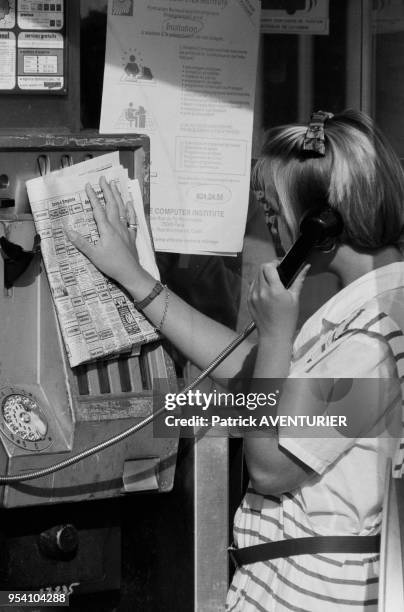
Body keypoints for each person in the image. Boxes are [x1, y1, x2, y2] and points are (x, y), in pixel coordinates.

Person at [66, 109, 404, 610]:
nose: (268, 228)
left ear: (322, 222)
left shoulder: (374, 343)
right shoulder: (365, 315)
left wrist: (276, 334)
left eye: (273, 211)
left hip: (309, 594)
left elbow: (269, 466)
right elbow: (251, 369)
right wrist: (136, 279)